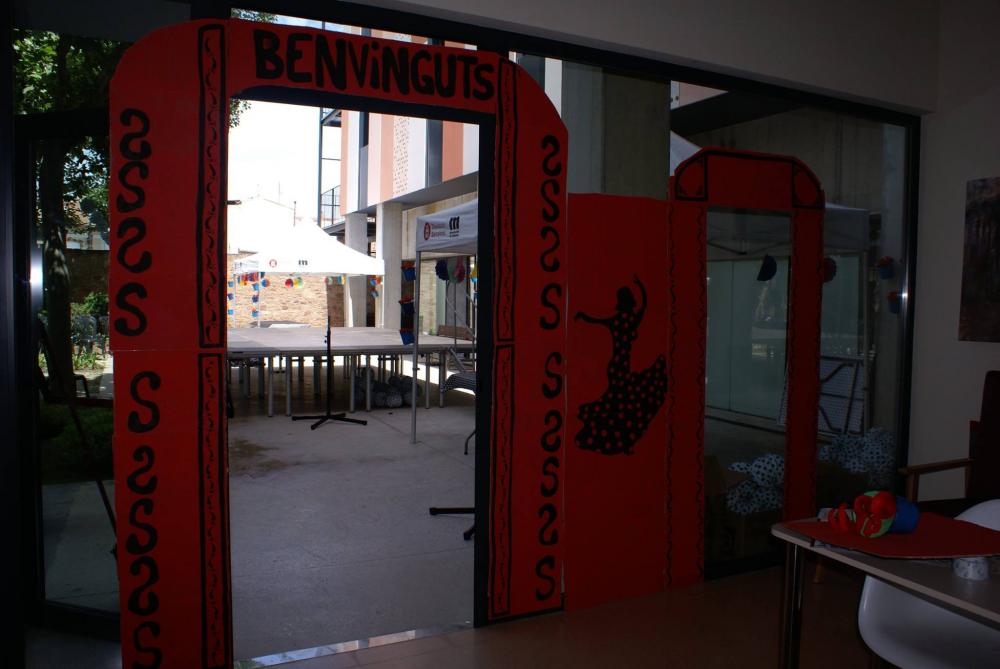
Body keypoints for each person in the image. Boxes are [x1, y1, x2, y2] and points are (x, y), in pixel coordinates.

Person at [574, 276, 668, 455]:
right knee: (621, 403)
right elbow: (644, 306)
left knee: (618, 402)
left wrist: (583, 316)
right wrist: (641, 286)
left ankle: (620, 439)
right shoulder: (631, 319)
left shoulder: (616, 320)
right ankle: (622, 440)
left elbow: (596, 320)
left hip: (616, 366)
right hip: (622, 366)